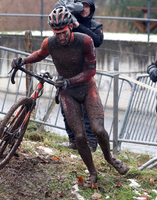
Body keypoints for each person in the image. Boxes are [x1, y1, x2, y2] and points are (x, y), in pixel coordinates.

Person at [11, 6, 129, 187]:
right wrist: (23, 60)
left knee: (97, 130)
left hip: (87, 89)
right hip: (68, 93)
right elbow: (39, 54)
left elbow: (91, 70)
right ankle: (92, 172)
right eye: (57, 33)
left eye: (63, 32)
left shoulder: (86, 41)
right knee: (80, 136)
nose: (61, 36)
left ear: (71, 27)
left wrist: (70, 81)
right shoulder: (50, 43)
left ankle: (109, 158)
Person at [54, 0, 103, 151]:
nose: (83, 9)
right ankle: (73, 140)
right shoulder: (66, 22)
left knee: (87, 110)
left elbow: (96, 41)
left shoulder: (95, 26)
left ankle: (91, 143)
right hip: (66, 71)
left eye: (87, 6)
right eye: (81, 5)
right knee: (66, 107)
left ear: (91, 8)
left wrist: (77, 26)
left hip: (84, 74)